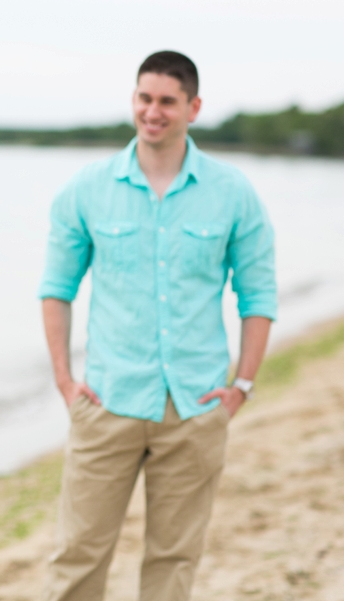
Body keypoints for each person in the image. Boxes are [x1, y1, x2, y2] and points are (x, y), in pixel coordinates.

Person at [38, 51, 277, 601]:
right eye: (145, 98)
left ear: (193, 107)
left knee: (174, 561)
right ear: (134, 101)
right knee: (77, 556)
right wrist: (64, 381)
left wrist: (242, 385)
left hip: (196, 408)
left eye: (167, 101)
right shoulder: (88, 188)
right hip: (106, 402)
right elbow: (57, 289)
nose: (154, 111)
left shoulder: (233, 192)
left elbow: (258, 295)